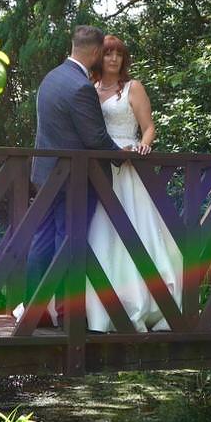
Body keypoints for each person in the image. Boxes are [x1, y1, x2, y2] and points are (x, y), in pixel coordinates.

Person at [18, 25, 120, 328]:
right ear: (95, 51)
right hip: (75, 179)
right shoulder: (81, 87)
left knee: (42, 240)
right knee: (69, 242)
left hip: (47, 175)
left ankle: (33, 312)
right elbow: (95, 139)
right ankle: (67, 315)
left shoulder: (51, 78)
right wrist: (122, 157)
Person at [82, 35, 183, 332]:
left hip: (127, 166)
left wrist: (143, 147)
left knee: (135, 231)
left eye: (119, 54)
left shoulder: (133, 88)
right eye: (108, 54)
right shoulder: (89, 90)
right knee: (100, 234)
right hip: (99, 168)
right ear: (99, 57)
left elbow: (148, 126)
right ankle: (98, 306)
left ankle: (146, 302)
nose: (114, 59)